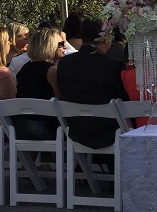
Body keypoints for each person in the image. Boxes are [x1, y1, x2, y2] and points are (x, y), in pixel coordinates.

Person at [53, 18, 128, 149]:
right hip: (109, 132)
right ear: (106, 38)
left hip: (77, 130)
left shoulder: (64, 63)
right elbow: (124, 99)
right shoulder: (113, 65)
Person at [14, 27, 63, 140]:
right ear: (50, 46)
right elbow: (60, 100)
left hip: (22, 128)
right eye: (60, 44)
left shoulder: (24, 68)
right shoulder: (51, 71)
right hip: (42, 128)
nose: (64, 47)